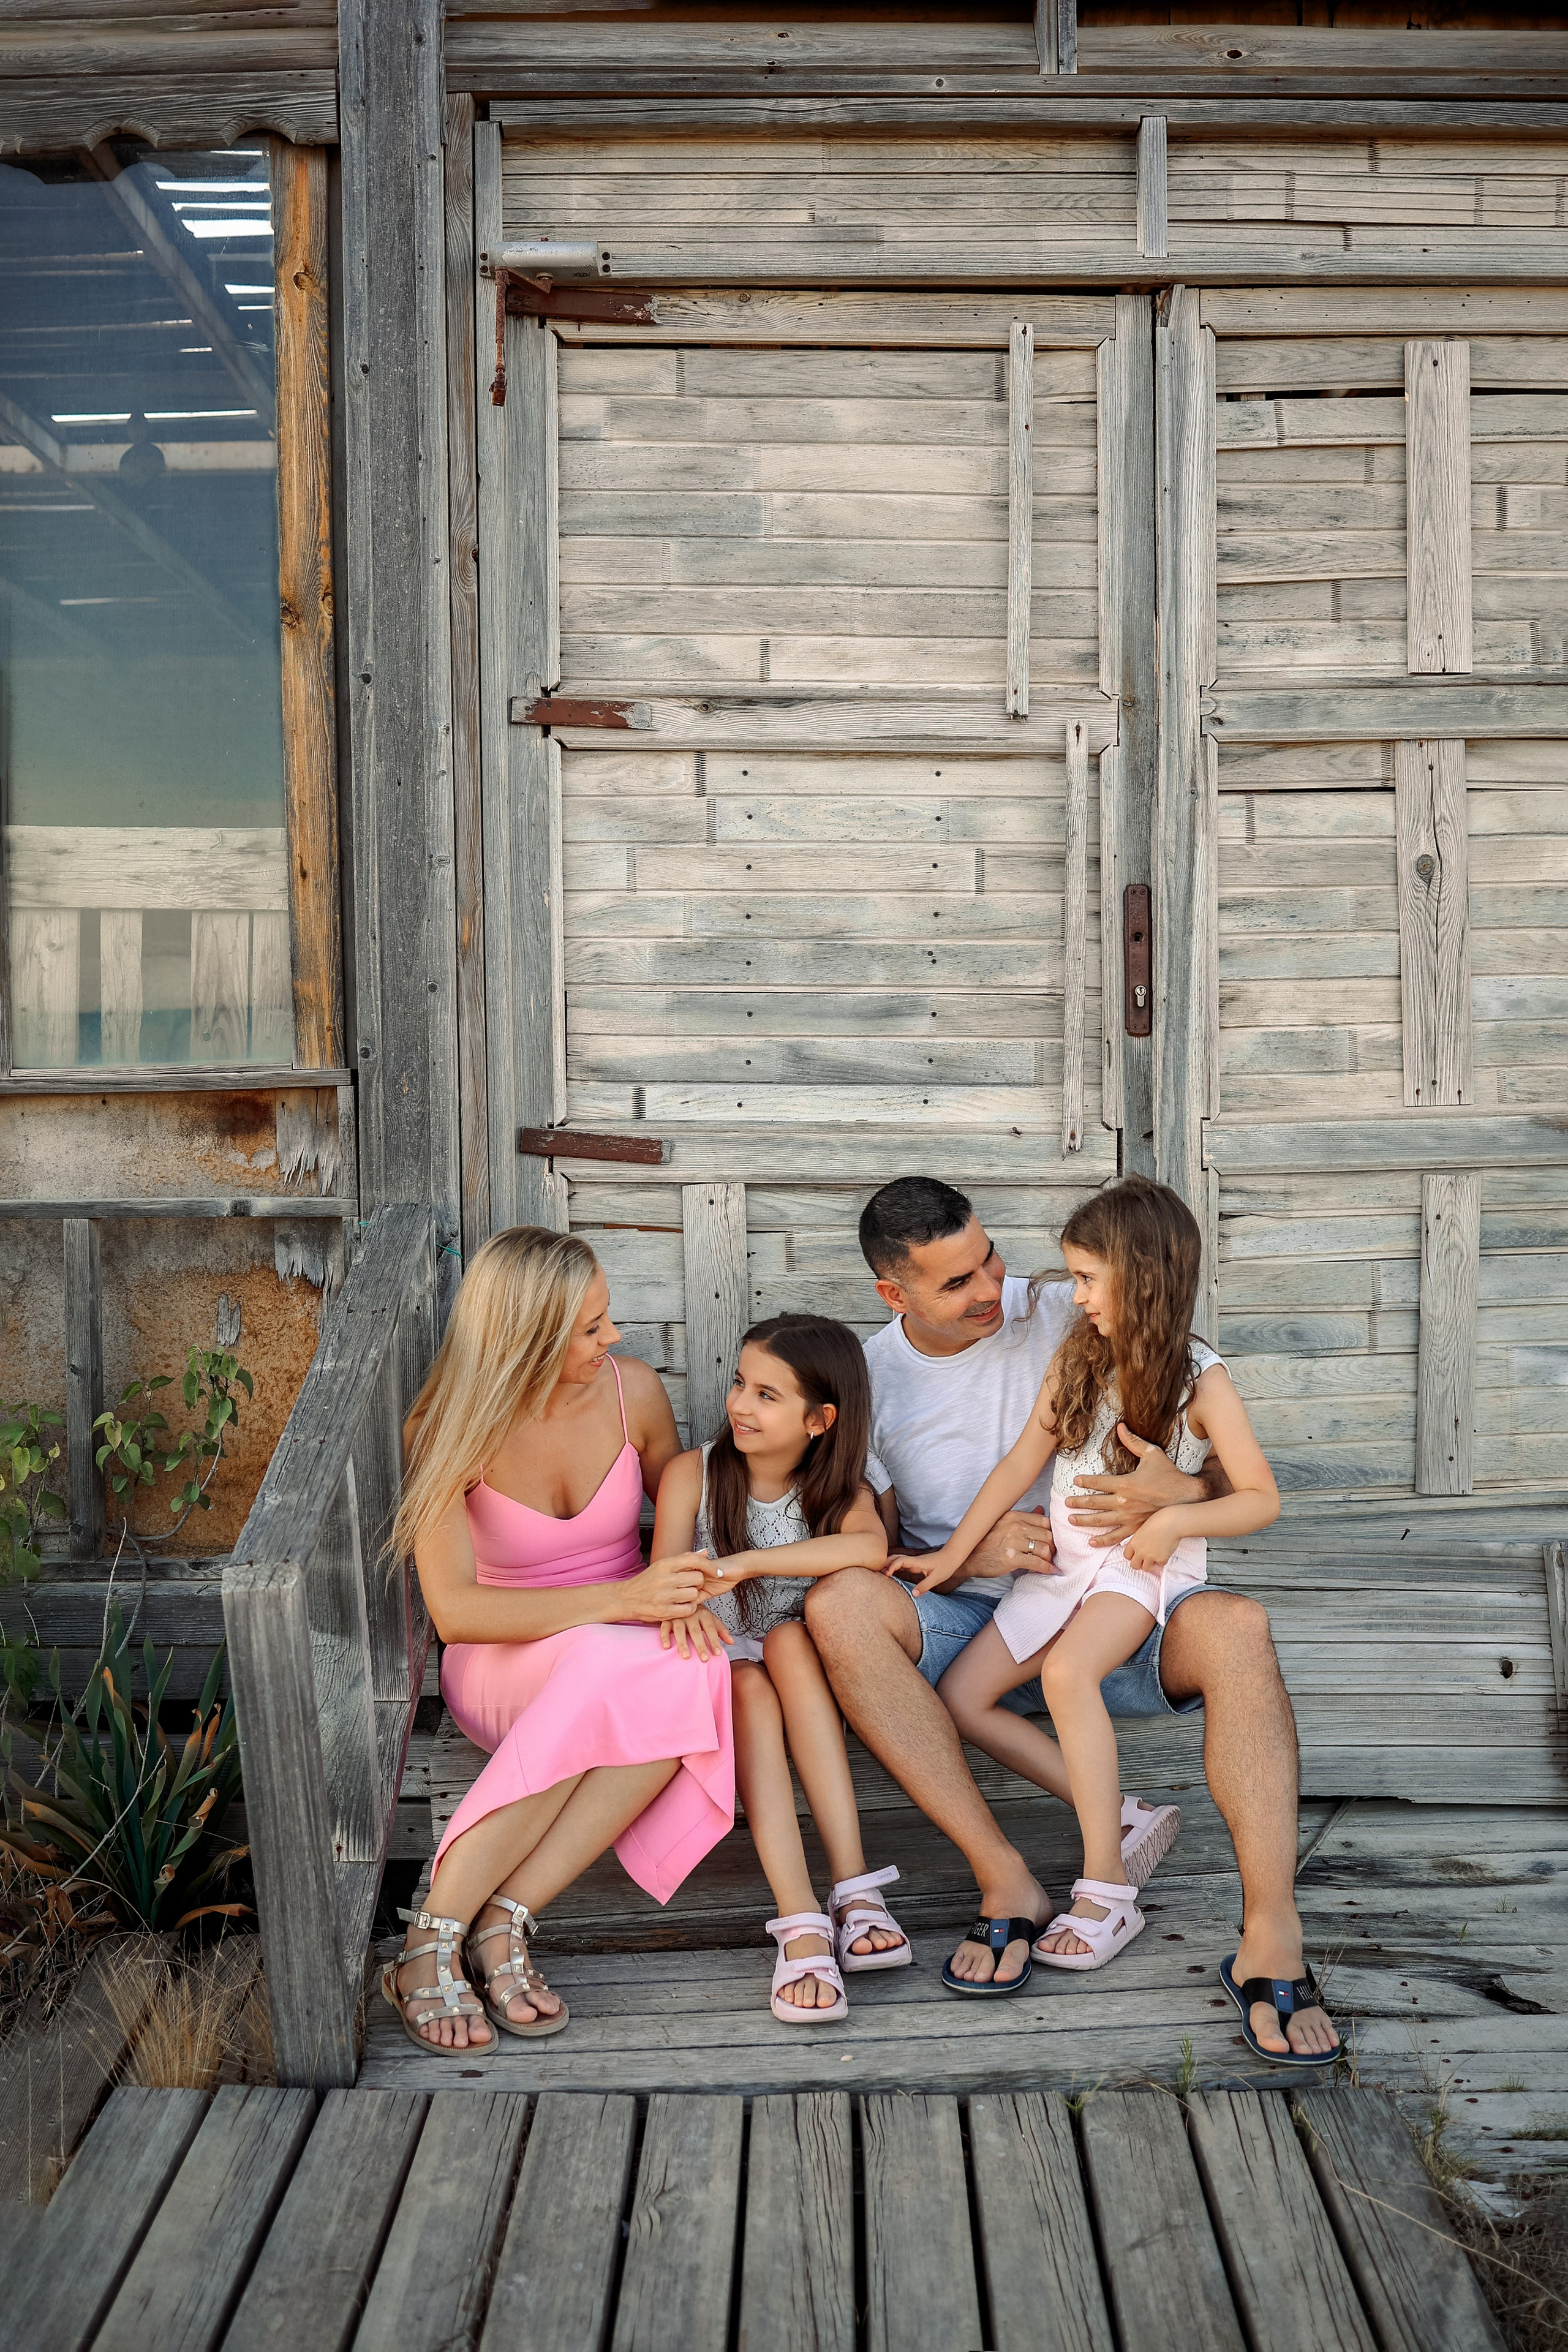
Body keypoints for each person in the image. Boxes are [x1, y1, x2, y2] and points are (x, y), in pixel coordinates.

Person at [801, 1175, 1341, 2064]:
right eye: (957, 1283)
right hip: (998, 1605)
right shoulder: (876, 1381)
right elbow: (929, 1507)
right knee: (847, 1610)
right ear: (894, 1295)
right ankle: (1021, 1873)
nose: (993, 1292)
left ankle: (1264, 1932)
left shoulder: (1065, 1310)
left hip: (1134, 1589)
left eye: (991, 1262)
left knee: (1235, 1627)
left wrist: (1176, 1497)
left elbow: (1243, 1484)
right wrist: (959, 1561)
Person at [911, 1179, 1280, 1991]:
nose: (1076, 1296)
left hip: (1136, 1575)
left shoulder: (1200, 1381)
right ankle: (1120, 1812)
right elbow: (1018, 1466)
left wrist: (1174, 1521)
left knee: (1067, 1673)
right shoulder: (1079, 1354)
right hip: (1059, 1576)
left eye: (1087, 1279)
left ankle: (1107, 1889)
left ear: (1144, 1276)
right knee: (962, 1699)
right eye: (1073, 1278)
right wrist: (952, 1560)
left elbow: (1260, 1498)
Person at [383, 1226, 733, 2054]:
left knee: (685, 1668)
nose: (611, 1339)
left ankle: (500, 1921)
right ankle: (427, 1940)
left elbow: (688, 1512)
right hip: (502, 1659)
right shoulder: (446, 1427)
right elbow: (459, 1613)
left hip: (618, 1651)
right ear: (525, 1340)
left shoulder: (632, 1394)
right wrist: (624, 1599)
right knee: (624, 1666)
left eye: (606, 1319)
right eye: (590, 1328)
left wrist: (684, 1582)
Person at [653, 1315, 910, 2022]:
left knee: (791, 1645)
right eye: (741, 1383)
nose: (740, 1403)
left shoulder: (842, 1493)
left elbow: (865, 1549)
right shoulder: (693, 1474)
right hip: (719, 1665)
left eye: (767, 1394)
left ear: (820, 1419)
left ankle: (854, 1884)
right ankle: (799, 1914)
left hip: (800, 1665)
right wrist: (687, 1607)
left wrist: (749, 1562)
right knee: (748, 1683)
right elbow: (663, 1580)